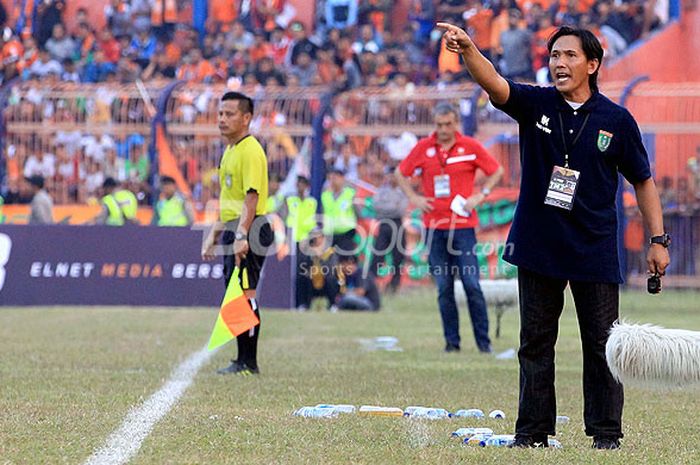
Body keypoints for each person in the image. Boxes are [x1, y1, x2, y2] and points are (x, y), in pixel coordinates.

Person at [437, 22, 670, 449]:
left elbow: (643, 181)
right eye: (554, 56)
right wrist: (469, 49)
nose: (559, 63)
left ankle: (605, 434)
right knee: (535, 342)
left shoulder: (616, 120)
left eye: (569, 56)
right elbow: (494, 82)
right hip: (538, 244)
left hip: (594, 248)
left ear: (592, 64)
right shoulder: (536, 104)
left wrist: (659, 240)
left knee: (603, 345)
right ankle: (532, 432)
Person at [395, 103, 504, 354]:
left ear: (456, 123)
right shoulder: (423, 148)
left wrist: (480, 195)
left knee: (471, 284)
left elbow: (496, 171)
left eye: (448, 124)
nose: (443, 130)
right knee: (444, 287)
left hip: (463, 227)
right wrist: (415, 198)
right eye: (439, 125)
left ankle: (483, 344)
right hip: (433, 227)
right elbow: (401, 173)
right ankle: (451, 344)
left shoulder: (471, 147)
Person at [202, 91, 272, 376]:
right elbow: (229, 200)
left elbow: (251, 197)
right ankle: (240, 359)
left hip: (251, 228)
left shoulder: (250, 150)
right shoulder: (230, 151)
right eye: (220, 113)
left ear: (246, 118)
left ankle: (249, 363)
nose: (222, 119)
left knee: (245, 294)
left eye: (229, 114)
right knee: (234, 296)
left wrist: (242, 235)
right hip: (234, 227)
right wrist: (215, 234)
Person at [370, 170, 408, 293]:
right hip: (384, 224)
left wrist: (387, 207)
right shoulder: (381, 191)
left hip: (397, 224)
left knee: (398, 257)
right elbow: (376, 206)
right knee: (377, 254)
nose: (392, 179)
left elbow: (401, 210)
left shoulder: (403, 192)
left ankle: (394, 285)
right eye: (390, 176)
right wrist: (392, 206)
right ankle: (371, 284)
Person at [322, 168, 359, 255]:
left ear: (342, 179)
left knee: (345, 261)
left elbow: (357, 212)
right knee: (328, 262)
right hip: (330, 234)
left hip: (346, 232)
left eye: (336, 178)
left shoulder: (350, 193)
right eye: (331, 179)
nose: (333, 181)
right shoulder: (325, 195)